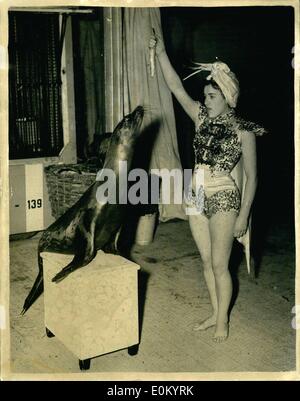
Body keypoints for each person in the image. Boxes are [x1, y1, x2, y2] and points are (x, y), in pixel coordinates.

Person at [149, 34, 266, 342]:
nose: (205, 100)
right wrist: (161, 52)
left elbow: (252, 178)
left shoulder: (245, 131)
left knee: (219, 264)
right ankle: (215, 313)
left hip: (225, 196)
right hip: (196, 195)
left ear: (227, 96)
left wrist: (243, 216)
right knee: (205, 262)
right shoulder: (200, 118)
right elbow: (175, 87)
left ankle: (223, 320)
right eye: (205, 95)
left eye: (211, 95)